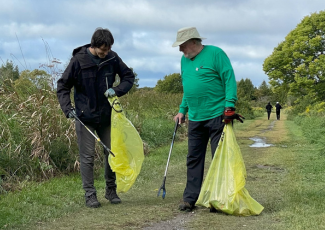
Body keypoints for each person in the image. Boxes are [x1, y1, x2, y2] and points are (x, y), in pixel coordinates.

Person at [57, 27, 135, 208]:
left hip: (107, 116)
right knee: (87, 157)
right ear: (94, 46)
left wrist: (116, 90)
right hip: (84, 117)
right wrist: (68, 108)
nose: (105, 53)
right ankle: (90, 195)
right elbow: (62, 86)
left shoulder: (112, 58)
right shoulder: (78, 60)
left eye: (108, 49)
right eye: (102, 50)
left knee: (111, 153)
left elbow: (128, 77)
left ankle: (111, 190)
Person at [172, 27, 244, 212]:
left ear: (194, 42)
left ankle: (218, 198)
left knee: (219, 158)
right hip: (196, 117)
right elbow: (188, 88)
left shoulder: (216, 53)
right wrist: (182, 111)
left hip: (217, 115)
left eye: (183, 45)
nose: (180, 50)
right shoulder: (184, 60)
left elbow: (229, 78)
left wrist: (230, 106)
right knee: (193, 158)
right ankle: (190, 198)